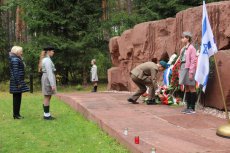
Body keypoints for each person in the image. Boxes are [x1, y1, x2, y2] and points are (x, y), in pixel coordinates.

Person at [9, 46, 29, 119]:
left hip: (17, 81)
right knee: (17, 98)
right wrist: (18, 83)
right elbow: (15, 72)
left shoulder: (17, 59)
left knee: (17, 98)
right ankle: (16, 115)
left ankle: (17, 114)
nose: (22, 53)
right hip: (16, 81)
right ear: (17, 52)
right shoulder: (15, 60)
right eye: (21, 51)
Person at [179, 31, 197, 114]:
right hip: (183, 67)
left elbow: (193, 61)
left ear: (188, 38)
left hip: (188, 68)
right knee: (186, 87)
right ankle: (188, 106)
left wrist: (191, 72)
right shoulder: (183, 48)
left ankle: (192, 107)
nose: (182, 39)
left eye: (183, 37)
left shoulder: (191, 48)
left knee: (191, 87)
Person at [38, 46, 56, 120]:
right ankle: (46, 115)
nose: (53, 52)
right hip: (47, 78)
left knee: (48, 96)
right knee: (47, 96)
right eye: (52, 51)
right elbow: (49, 72)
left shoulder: (46, 59)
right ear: (48, 51)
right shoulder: (47, 60)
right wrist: (52, 84)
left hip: (46, 78)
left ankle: (46, 114)